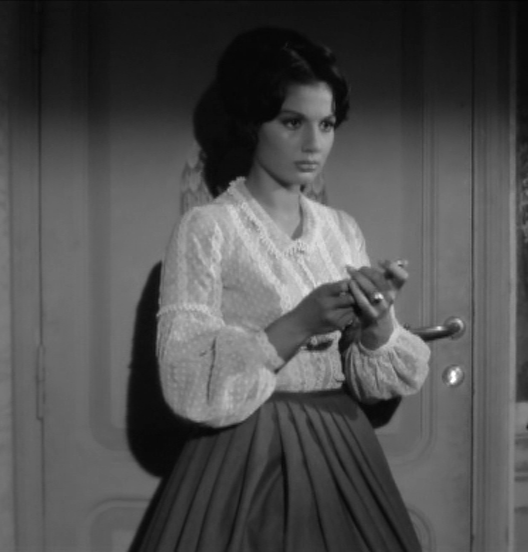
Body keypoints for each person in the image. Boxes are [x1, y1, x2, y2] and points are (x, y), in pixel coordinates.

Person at [136, 27, 430, 552]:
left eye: (326, 124)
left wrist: (377, 322)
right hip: (247, 455)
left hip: (343, 450)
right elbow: (185, 377)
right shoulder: (208, 228)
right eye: (292, 122)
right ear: (253, 122)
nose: (314, 144)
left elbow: (368, 382)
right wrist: (299, 323)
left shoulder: (342, 229)